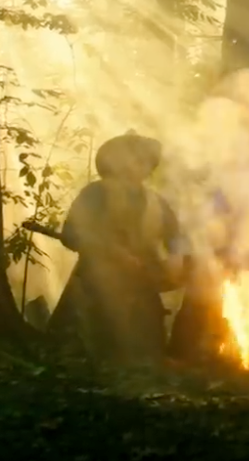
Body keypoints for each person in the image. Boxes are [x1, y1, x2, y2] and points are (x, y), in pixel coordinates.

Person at [47, 131, 187, 362]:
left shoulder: (156, 202)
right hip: (94, 290)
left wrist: (176, 257)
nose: (143, 165)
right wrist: (111, 252)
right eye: (136, 158)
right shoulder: (95, 193)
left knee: (145, 359)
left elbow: (176, 236)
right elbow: (72, 234)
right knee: (83, 356)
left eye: (146, 160)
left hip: (142, 292)